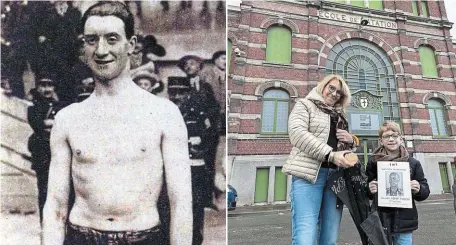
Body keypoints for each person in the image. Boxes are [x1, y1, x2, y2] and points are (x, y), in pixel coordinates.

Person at [42, 2, 193, 245]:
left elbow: (181, 204)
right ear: (84, 46)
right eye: (92, 40)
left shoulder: (164, 113)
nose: (101, 50)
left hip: (143, 237)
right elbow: (56, 207)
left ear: (130, 45)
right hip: (81, 236)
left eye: (112, 39)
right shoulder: (68, 118)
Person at [282, 74, 358, 245]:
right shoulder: (305, 105)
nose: (334, 94)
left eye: (339, 92)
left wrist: (352, 141)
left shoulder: (340, 116)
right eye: (331, 88)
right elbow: (297, 134)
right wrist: (331, 155)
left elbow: (342, 149)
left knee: (329, 237)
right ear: (322, 87)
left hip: (335, 179)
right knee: (305, 236)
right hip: (308, 177)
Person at [168, 77, 215, 245]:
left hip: (194, 168)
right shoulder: (163, 113)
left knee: (195, 208)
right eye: (173, 92)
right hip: (170, 169)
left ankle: (195, 240)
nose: (177, 97)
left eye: (181, 92)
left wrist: (197, 148)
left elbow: (209, 138)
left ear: (188, 94)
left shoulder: (197, 113)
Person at [367, 121, 430, 245]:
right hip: (380, 220)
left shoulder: (413, 163)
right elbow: (366, 190)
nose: (391, 139)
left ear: (400, 138)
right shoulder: (373, 163)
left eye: (394, 136)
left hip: (405, 222)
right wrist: (369, 188)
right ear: (381, 140)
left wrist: (418, 189)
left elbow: (425, 191)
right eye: (386, 136)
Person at [178, 55, 221, 209]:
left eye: (192, 64)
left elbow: (214, 107)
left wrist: (209, 124)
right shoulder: (179, 86)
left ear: (199, 67)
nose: (189, 66)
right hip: (187, 129)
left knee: (208, 165)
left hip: (206, 132)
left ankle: (206, 200)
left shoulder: (206, 86)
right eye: (186, 65)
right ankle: (189, 200)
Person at [27, 72, 67, 224]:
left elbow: (62, 125)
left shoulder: (60, 106)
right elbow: (37, 125)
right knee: (43, 188)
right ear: (38, 88)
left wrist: (49, 123)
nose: (46, 89)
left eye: (49, 85)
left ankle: (60, 220)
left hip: (57, 152)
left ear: (54, 88)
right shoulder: (33, 107)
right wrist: (51, 123)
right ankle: (45, 222)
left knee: (60, 188)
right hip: (41, 153)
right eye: (43, 86)